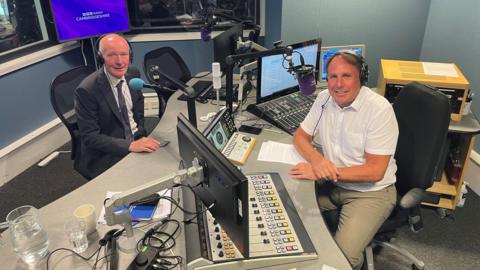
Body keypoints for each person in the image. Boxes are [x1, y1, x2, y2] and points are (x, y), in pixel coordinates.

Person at [288, 51, 399, 269]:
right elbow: (300, 137)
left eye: (346, 76)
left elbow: (375, 171)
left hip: (371, 193)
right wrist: (317, 161)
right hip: (333, 184)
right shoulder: (324, 99)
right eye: (332, 77)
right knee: (285, 210)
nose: (338, 84)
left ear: (361, 77)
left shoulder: (379, 110)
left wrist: (323, 171)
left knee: (340, 262)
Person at [74, 33, 161, 179]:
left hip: (136, 138)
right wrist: (128, 146)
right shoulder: (86, 90)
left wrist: (139, 134)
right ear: (101, 57)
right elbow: (90, 137)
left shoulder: (133, 74)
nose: (120, 62)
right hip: (106, 152)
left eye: (123, 54)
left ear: (130, 55)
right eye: (112, 55)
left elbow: (137, 110)